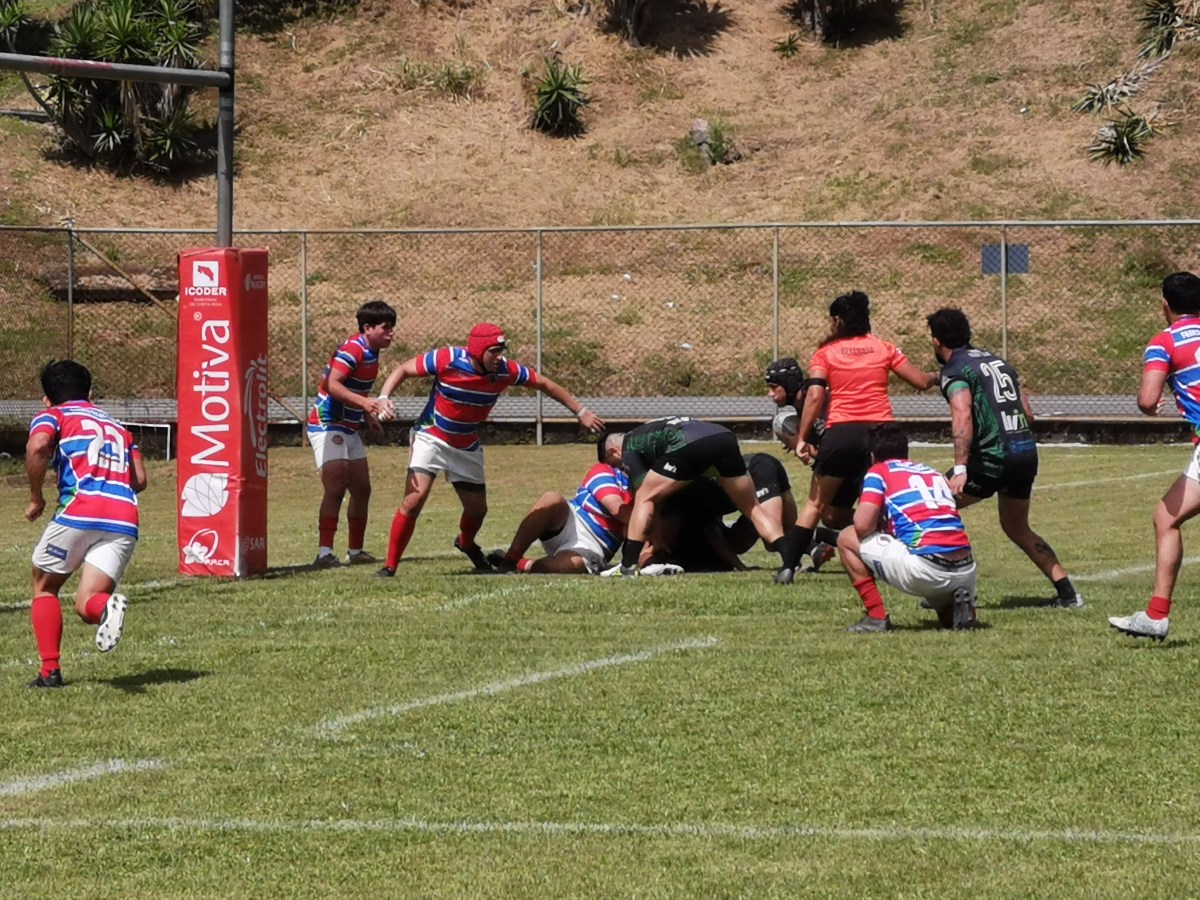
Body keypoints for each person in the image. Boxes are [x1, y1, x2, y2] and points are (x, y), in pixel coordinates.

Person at [373, 322, 605, 576]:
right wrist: (384, 397)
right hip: (431, 436)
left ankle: (466, 542)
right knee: (415, 499)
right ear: (477, 350)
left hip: (466, 445)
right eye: (494, 351)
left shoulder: (505, 371)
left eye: (501, 350)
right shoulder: (447, 358)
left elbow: (544, 383)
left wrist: (580, 411)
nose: (500, 357)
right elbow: (404, 369)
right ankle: (390, 566)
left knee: (477, 510)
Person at [926, 307, 1083, 608]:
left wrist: (961, 468)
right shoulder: (998, 362)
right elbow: (1028, 413)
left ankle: (954, 589)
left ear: (936, 341)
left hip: (992, 458)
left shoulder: (955, 370)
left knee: (935, 508)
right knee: (1017, 528)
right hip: (1024, 452)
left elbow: (962, 414)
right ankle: (1068, 594)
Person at [24, 360, 148, 688]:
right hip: (123, 519)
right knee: (87, 603)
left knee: (45, 586)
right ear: (90, 393)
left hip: (80, 510)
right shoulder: (119, 428)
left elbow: (37, 446)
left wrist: (36, 496)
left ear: (47, 399)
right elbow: (140, 480)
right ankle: (108, 607)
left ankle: (49, 672)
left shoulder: (55, 415)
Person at [792, 290, 936, 568]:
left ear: (837, 321)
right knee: (892, 500)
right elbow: (919, 381)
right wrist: (938, 377)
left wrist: (802, 437)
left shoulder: (826, 353)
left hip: (842, 434)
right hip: (882, 433)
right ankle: (913, 556)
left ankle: (787, 568)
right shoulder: (884, 347)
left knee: (816, 505)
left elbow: (814, 395)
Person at [1110, 271, 1200, 641]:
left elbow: (1148, 399)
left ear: (1165, 305)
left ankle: (1157, 616)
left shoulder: (1165, 341)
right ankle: (1155, 615)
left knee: (1166, 519)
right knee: (1166, 516)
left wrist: (1150, 406)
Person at [608, 416, 804, 581]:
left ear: (613, 451)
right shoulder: (653, 429)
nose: (621, 469)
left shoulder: (629, 446)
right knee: (753, 508)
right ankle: (789, 561)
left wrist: (655, 543)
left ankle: (627, 566)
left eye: (615, 465)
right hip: (723, 436)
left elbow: (644, 492)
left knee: (644, 497)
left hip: (689, 442)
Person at [837, 423, 977, 633]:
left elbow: (862, 527)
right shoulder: (933, 473)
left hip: (925, 569)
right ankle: (959, 602)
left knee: (847, 538)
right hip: (966, 567)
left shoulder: (879, 472)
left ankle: (875, 617)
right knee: (947, 622)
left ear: (873, 456)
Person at [307, 300, 397, 569]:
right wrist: (366, 405)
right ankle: (324, 553)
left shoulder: (372, 351)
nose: (391, 333)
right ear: (367, 328)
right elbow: (333, 385)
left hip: (348, 424)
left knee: (362, 489)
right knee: (335, 488)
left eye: (392, 328)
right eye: (386, 328)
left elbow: (356, 388)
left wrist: (367, 417)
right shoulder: (353, 349)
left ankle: (355, 551)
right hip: (327, 423)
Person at [486, 431, 630, 574]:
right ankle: (509, 561)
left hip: (595, 546)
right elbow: (618, 509)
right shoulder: (604, 471)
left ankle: (524, 564)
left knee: (558, 567)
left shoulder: (643, 478)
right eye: (630, 443)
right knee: (552, 498)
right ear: (613, 452)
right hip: (572, 521)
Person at [644, 452, 797, 572]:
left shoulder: (691, 505)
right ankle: (815, 543)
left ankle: (803, 552)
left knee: (773, 537)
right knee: (781, 534)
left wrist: (741, 567)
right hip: (758, 465)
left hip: (754, 470)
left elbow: (712, 530)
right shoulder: (698, 512)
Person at [764, 358, 836, 573]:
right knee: (831, 516)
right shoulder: (798, 405)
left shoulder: (818, 398)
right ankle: (819, 546)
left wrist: (807, 446)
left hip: (847, 453)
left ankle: (791, 564)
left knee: (820, 512)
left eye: (774, 388)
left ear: (788, 384)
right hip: (833, 458)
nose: (770, 394)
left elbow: (831, 434)